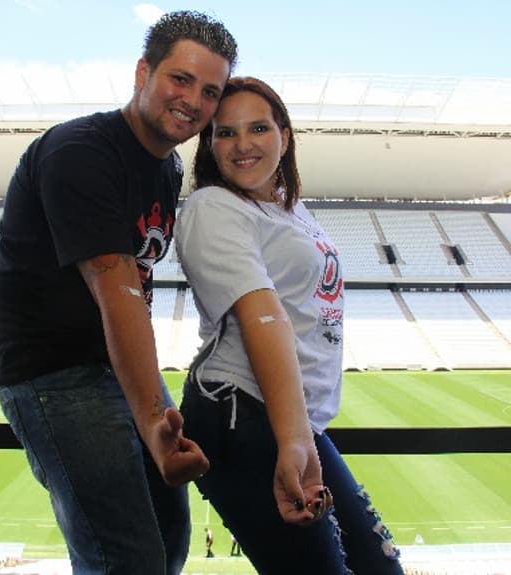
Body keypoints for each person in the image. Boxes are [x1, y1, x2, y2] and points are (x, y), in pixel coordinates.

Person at [0, 11, 237, 575]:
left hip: (109, 369)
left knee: (171, 539)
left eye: (210, 91)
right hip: (54, 373)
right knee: (125, 561)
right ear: (143, 71)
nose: (193, 100)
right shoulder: (80, 150)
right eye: (180, 78)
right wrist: (153, 416)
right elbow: (118, 290)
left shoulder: (168, 168)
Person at [174, 77, 404, 574]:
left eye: (258, 127)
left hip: (294, 419)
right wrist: (294, 439)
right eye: (224, 132)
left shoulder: (289, 207)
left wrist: (301, 432)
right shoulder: (213, 206)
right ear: (209, 146)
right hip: (245, 412)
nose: (242, 144)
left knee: (381, 566)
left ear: (284, 134)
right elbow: (264, 315)